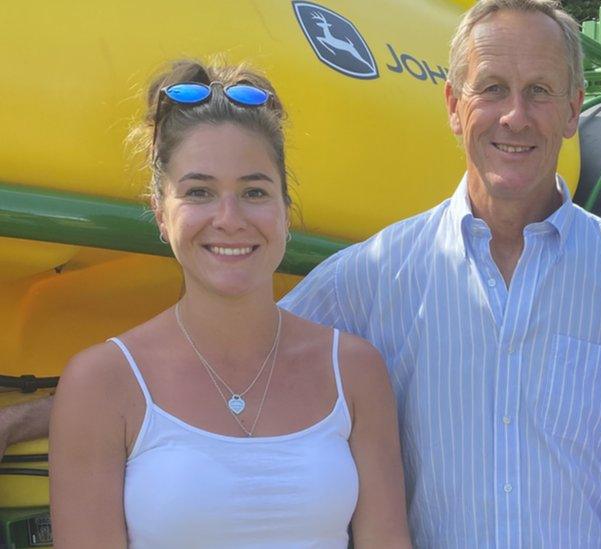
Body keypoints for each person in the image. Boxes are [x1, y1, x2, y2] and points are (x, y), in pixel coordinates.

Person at [279, 1, 601, 547]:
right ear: (453, 105)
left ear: (573, 110)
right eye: (491, 88)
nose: (515, 115)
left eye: (540, 90)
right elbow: (251, 362)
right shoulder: (373, 274)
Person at [48, 60, 411, 548]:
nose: (229, 218)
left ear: (285, 209)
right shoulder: (101, 383)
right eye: (199, 191)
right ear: (160, 212)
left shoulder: (355, 371)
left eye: (254, 191)